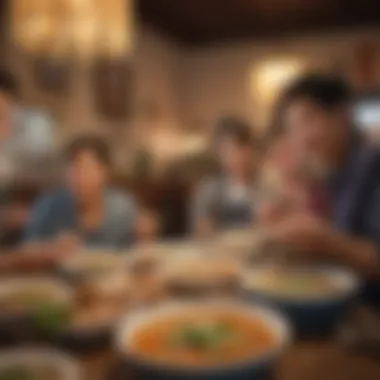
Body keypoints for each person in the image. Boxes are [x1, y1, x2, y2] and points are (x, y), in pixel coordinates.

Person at [264, 74, 380, 304]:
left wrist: (328, 242)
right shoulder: (332, 172)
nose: (300, 139)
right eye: (292, 128)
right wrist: (292, 215)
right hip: (344, 299)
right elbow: (333, 228)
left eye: (306, 120)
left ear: (341, 115)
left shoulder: (372, 165)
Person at [24, 135, 139, 250]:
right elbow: (27, 250)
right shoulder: (49, 205)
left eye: (86, 168)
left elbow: (133, 253)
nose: (78, 178)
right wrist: (51, 249)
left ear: (105, 172)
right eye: (72, 170)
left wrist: (143, 236)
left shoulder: (122, 207)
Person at [191, 117, 258, 235]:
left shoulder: (265, 187)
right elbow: (200, 226)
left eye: (240, 149)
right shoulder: (208, 189)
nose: (237, 157)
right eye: (228, 151)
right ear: (219, 155)